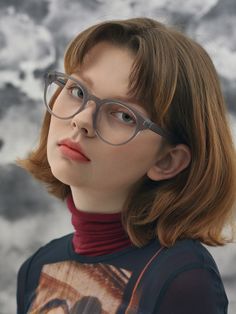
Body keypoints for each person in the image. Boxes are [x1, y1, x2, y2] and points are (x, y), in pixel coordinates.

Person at [16, 17, 236, 314]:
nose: (82, 120)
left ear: (167, 160)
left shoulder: (182, 279)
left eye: (123, 115)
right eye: (78, 91)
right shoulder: (36, 268)